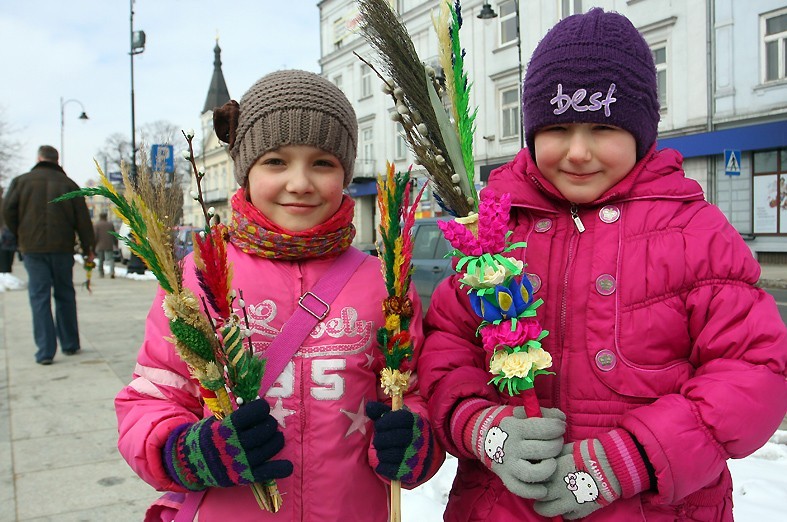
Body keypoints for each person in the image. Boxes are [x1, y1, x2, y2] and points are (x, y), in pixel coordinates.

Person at [418, 8, 787, 521]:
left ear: (641, 131)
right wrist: (483, 429)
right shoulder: (497, 228)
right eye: (557, 127)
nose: (577, 152)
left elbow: (754, 372)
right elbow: (446, 349)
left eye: (602, 127)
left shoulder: (694, 234)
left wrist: (629, 462)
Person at [115, 70, 443, 521]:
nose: (300, 182)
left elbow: (417, 389)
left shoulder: (384, 281)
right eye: (275, 161)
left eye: (323, 163)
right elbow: (153, 398)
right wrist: (188, 453)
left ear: (345, 172)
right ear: (245, 170)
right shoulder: (196, 278)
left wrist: (418, 441)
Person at [2, 145, 94, 365]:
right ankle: (70, 343)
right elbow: (83, 221)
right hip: (62, 248)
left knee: (39, 297)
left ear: (39, 158)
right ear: (56, 159)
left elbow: (7, 211)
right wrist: (88, 247)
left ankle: (45, 351)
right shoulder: (69, 185)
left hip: (32, 248)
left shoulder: (21, 182)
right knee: (65, 294)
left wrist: (19, 234)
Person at [93, 211, 117, 278]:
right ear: (106, 217)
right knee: (111, 259)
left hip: (100, 245)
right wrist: (115, 243)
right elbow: (114, 235)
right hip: (109, 245)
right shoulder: (110, 224)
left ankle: (101, 273)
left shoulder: (97, 225)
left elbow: (95, 236)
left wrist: (94, 245)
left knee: (101, 260)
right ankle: (112, 272)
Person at [0, 185, 17, 273]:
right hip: (5, 231)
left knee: (6, 253)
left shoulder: (4, 202)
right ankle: (5, 272)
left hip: (5, 232)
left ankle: (5, 272)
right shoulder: (4, 202)